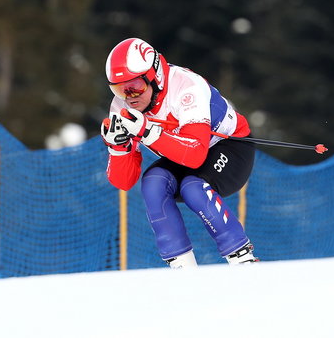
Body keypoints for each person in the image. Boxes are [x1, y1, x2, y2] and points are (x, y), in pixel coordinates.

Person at [100, 37, 258, 268]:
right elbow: (124, 182)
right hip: (181, 151)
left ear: (155, 77)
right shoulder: (121, 105)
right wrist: (119, 148)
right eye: (119, 89)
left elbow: (195, 156)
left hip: (229, 147)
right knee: (153, 183)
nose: (129, 97)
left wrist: (146, 131)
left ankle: (243, 260)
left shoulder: (186, 88)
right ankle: (181, 267)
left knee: (194, 187)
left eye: (136, 87)